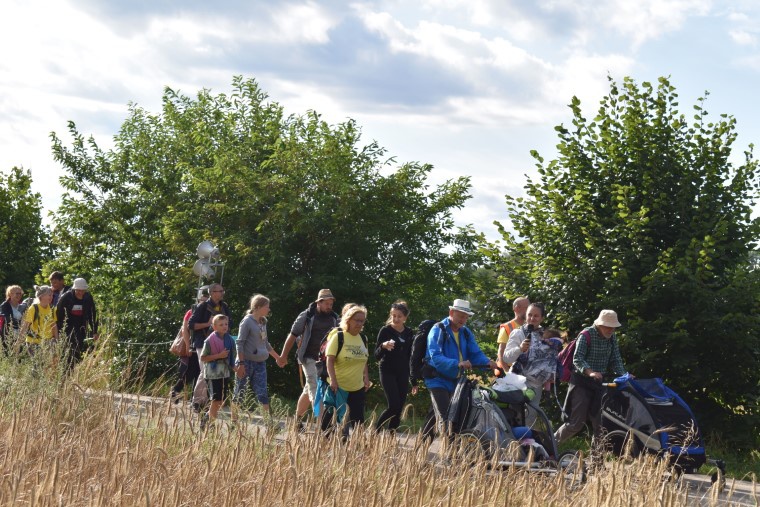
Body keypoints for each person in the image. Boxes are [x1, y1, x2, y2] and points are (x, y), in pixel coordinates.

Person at [554, 309, 629, 446]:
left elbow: (616, 360)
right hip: (581, 383)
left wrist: (624, 376)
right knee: (575, 424)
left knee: (601, 426)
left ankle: (596, 463)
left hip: (599, 385)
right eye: (608, 326)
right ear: (600, 325)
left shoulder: (612, 338)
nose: (611, 330)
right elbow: (578, 359)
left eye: (613, 327)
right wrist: (590, 372)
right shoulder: (586, 335)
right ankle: (549, 447)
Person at [425, 299, 498, 436]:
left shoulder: (465, 332)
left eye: (466, 317)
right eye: (461, 315)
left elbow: (475, 353)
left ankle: (419, 450)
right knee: (448, 417)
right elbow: (435, 356)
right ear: (451, 312)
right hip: (437, 379)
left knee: (435, 416)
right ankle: (451, 454)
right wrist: (457, 363)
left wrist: (488, 362)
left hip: (456, 380)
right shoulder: (438, 329)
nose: (463, 319)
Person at [279, 289, 340, 424]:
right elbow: (292, 335)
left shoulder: (334, 318)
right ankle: (322, 425)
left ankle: (297, 420)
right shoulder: (307, 316)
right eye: (327, 304)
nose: (329, 307)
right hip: (308, 357)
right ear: (319, 302)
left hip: (324, 360)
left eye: (331, 304)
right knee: (315, 387)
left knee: (308, 389)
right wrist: (283, 356)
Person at [502, 302, 560, 417]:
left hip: (536, 385)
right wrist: (520, 349)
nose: (532, 318)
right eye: (530, 315)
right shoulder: (518, 333)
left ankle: (526, 435)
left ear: (542, 318)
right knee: (513, 416)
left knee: (530, 418)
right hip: (517, 382)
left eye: (536, 316)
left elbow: (551, 360)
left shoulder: (546, 336)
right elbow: (506, 357)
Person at [323, 304, 370, 439]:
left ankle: (357, 446)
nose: (360, 323)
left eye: (362, 321)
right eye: (357, 320)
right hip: (338, 386)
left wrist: (366, 377)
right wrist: (333, 380)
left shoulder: (363, 338)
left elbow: (364, 359)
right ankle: (325, 441)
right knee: (332, 417)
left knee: (358, 420)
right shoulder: (339, 337)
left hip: (357, 386)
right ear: (348, 320)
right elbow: (330, 359)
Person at [234, 294, 282, 415]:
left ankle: (268, 423)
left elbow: (265, 343)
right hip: (245, 362)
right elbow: (239, 343)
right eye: (267, 307)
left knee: (262, 392)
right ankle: (233, 422)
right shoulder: (247, 322)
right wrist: (241, 363)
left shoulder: (263, 322)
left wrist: (278, 358)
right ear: (258, 307)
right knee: (240, 392)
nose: (269, 309)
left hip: (260, 363)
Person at [188, 283, 231, 413]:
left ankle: (208, 401)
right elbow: (191, 325)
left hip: (220, 343)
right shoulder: (202, 306)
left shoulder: (224, 307)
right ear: (212, 292)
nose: (223, 292)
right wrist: (208, 324)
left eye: (223, 290)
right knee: (205, 370)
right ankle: (197, 401)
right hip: (203, 342)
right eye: (220, 291)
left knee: (213, 371)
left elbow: (231, 322)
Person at [374, 300, 414, 432]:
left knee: (400, 406)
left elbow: (411, 356)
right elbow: (376, 355)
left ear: (405, 318)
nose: (396, 319)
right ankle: (376, 432)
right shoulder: (385, 330)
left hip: (403, 372)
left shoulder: (409, 333)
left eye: (399, 316)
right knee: (393, 405)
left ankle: (391, 436)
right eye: (393, 315)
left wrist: (413, 379)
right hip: (387, 371)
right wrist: (383, 346)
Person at [199, 314, 241, 430]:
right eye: (221, 324)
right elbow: (203, 357)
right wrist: (219, 355)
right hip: (213, 374)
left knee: (221, 401)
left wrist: (234, 367)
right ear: (214, 326)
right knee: (216, 400)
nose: (224, 326)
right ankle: (210, 424)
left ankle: (206, 417)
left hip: (225, 373)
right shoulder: (209, 340)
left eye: (226, 324)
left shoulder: (229, 340)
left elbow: (232, 356)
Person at [169, 286, 208, 403]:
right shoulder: (191, 311)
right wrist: (187, 345)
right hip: (192, 346)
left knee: (198, 372)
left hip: (202, 346)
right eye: (203, 299)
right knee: (189, 372)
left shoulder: (210, 312)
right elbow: (184, 329)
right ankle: (176, 391)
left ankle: (194, 399)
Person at [56, 277, 98, 369]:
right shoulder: (66, 297)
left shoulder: (88, 298)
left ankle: (74, 371)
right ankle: (65, 372)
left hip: (81, 328)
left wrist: (95, 331)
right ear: (74, 289)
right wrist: (58, 331)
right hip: (67, 328)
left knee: (78, 352)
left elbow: (92, 314)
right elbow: (58, 315)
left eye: (82, 290)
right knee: (68, 352)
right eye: (78, 290)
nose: (80, 293)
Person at [19, 285, 58, 356]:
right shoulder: (33, 308)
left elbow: (53, 325)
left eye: (52, 295)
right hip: (33, 341)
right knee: (37, 365)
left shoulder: (52, 309)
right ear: (41, 296)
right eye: (49, 295)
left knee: (47, 365)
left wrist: (56, 339)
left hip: (47, 342)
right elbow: (25, 325)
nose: (51, 297)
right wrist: (18, 341)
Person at [496, 296, 530, 370]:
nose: (529, 311)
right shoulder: (507, 327)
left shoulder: (531, 326)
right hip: (511, 370)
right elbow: (501, 351)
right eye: (526, 308)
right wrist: (507, 372)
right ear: (516, 308)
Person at [1, 285, 26, 355]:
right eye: (17, 293)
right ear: (10, 294)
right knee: (8, 354)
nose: (19, 295)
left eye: (20, 293)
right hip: (8, 335)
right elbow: (8, 319)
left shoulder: (22, 306)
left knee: (19, 357)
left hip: (20, 335)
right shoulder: (5, 305)